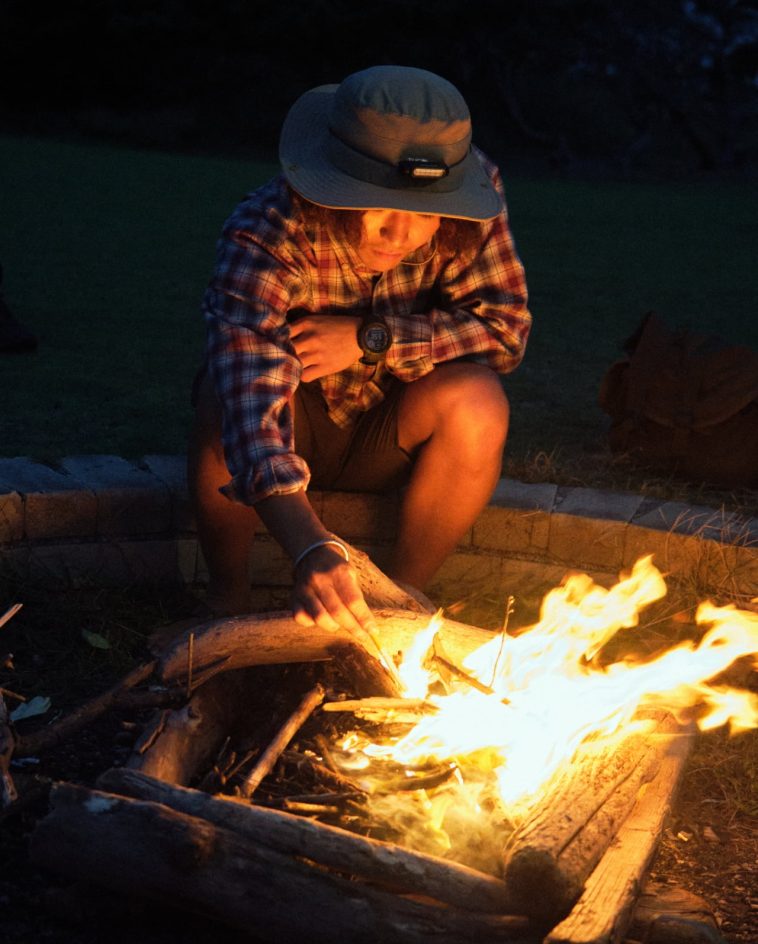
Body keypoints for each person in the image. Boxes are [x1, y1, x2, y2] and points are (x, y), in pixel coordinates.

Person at [189, 65, 531, 636]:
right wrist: (310, 547)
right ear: (330, 188)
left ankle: (402, 607)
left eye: (424, 214)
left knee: (478, 401)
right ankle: (228, 599)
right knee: (221, 403)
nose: (400, 236)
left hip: (394, 428)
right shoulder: (266, 229)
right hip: (294, 419)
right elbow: (250, 405)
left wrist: (371, 339)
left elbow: (505, 330)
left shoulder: (475, 198)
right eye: (378, 206)